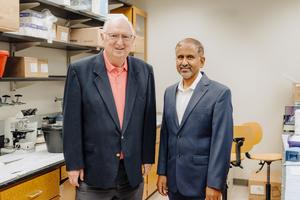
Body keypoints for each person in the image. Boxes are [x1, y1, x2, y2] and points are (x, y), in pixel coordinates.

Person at [63, 16, 156, 200]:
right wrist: (73, 164)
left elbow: (148, 118)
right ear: (102, 36)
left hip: (131, 172)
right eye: (113, 35)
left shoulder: (145, 71)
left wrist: (147, 157)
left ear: (133, 40)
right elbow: (71, 122)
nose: (120, 42)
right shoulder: (79, 71)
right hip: (94, 171)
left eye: (126, 37)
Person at [157, 38, 233, 200]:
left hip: (202, 182)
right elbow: (166, 136)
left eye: (190, 57)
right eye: (180, 57)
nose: (184, 62)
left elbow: (221, 143)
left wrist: (214, 184)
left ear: (202, 61)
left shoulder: (219, 93)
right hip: (174, 180)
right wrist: (162, 172)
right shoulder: (169, 93)